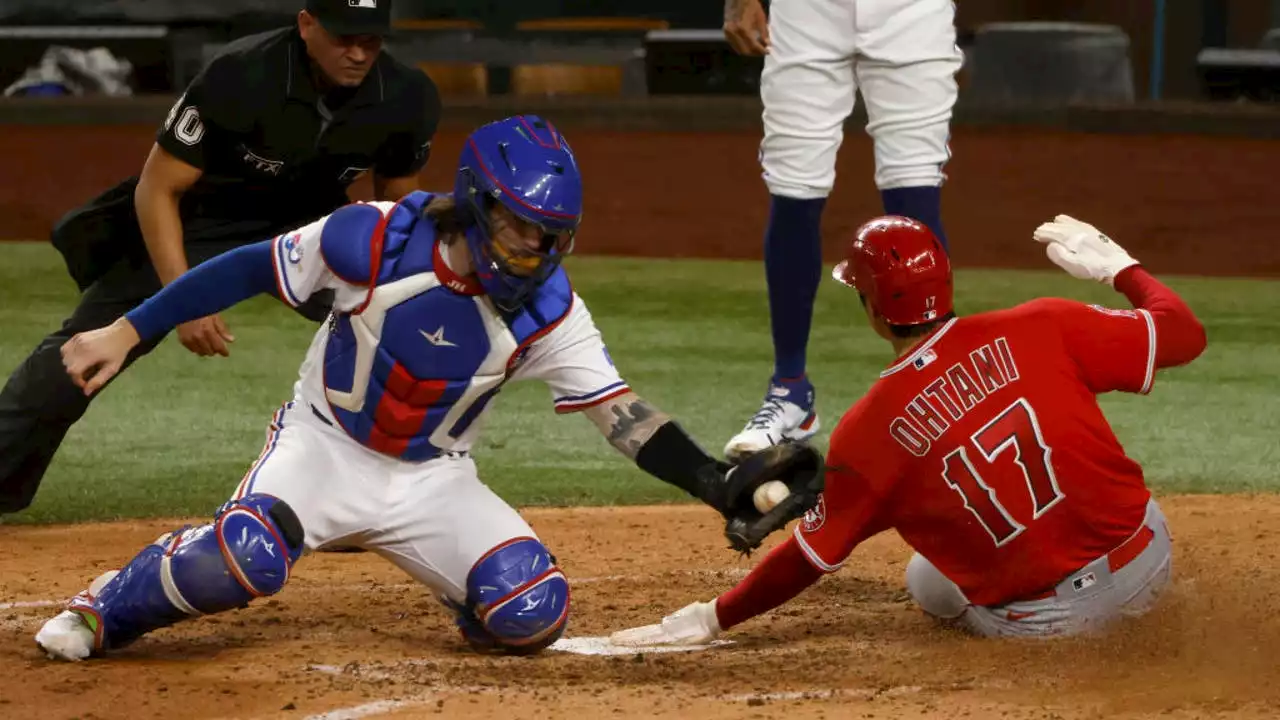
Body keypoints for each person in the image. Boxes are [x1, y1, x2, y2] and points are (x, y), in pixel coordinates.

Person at [33, 115, 817, 661]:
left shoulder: (550, 310)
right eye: (520, 230)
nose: (536, 253)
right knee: (241, 563)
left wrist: (715, 483)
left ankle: (458, 583)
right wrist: (127, 330)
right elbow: (244, 266)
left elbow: (624, 416)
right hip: (323, 449)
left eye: (552, 238)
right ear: (476, 204)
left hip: (430, 480)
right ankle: (105, 609)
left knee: (529, 612)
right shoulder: (372, 238)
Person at [609, 214, 1208, 645]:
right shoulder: (1042, 324)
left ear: (871, 307)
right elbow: (1184, 334)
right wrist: (1120, 267)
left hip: (1051, 629)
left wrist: (714, 618)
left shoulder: (868, 432)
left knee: (927, 579)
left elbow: (810, 558)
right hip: (1149, 562)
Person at [0, 0, 442, 515]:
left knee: (395, 324)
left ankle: (372, 498)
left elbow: (400, 214)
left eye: (371, 40)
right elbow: (157, 190)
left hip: (310, 226)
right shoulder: (242, 72)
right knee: (90, 345)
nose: (358, 53)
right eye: (344, 37)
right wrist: (181, 299)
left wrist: (394, 298)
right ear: (306, 25)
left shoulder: (406, 95)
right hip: (197, 221)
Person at [720, 0, 965, 461]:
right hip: (806, 11)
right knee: (794, 189)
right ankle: (791, 393)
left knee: (915, 195)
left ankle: (939, 393)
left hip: (912, 10)